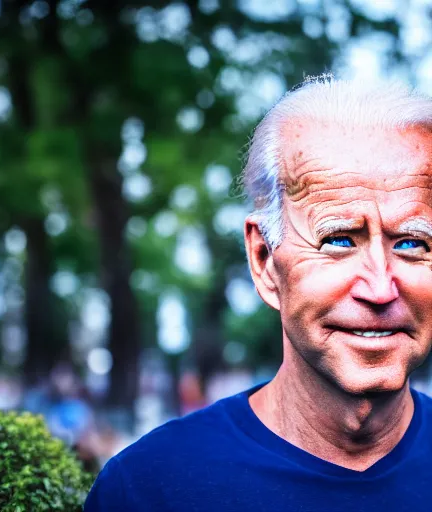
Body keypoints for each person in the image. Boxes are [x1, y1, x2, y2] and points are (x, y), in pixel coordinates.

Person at [84, 75, 432, 511]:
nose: (380, 288)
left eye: (412, 243)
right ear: (265, 259)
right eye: (339, 241)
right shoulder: (151, 488)